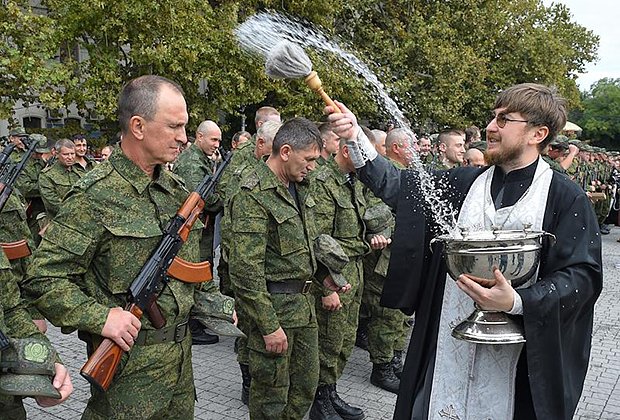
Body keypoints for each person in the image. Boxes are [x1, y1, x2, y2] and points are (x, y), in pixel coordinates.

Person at [327, 83, 602, 420]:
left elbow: (582, 277)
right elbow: (403, 189)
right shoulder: (464, 183)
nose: (490, 127)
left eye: (504, 120)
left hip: (520, 361)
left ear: (538, 133)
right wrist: (356, 137)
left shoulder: (565, 197)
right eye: (493, 117)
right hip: (448, 341)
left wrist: (517, 302)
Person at [25, 75, 236, 419]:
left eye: (185, 128)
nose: (183, 138)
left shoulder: (177, 191)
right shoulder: (94, 195)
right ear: (138, 126)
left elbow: (189, 272)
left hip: (180, 371)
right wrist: (101, 317)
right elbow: (42, 279)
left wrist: (218, 304)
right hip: (128, 377)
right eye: (174, 127)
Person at [228, 117, 349, 420]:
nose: (313, 166)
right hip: (275, 313)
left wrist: (324, 281)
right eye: (308, 159)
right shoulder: (253, 193)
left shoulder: (299, 187)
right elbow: (245, 270)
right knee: (271, 399)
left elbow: (304, 247)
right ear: (284, 152)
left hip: (304, 311)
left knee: (304, 390)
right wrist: (268, 326)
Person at [308, 137, 372, 420]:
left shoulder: (354, 181)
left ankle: (331, 392)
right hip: (335, 275)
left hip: (355, 270)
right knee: (328, 339)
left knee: (345, 339)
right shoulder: (323, 182)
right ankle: (318, 401)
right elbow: (318, 241)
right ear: (346, 151)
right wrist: (325, 286)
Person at [38, 139, 82, 220]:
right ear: (57, 154)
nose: (70, 157)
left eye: (72, 154)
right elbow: (53, 203)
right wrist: (77, 212)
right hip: (60, 222)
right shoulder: (46, 175)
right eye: (66, 154)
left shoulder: (80, 172)